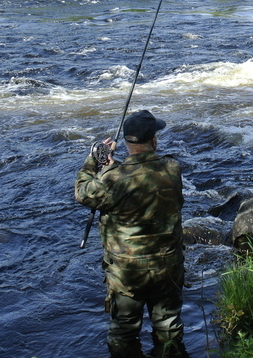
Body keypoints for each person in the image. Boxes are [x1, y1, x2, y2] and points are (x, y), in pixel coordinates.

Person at [75, 110, 186, 358]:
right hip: (167, 264)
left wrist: (94, 161)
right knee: (169, 328)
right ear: (154, 140)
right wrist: (114, 170)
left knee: (124, 331)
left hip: (126, 271)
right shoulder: (172, 169)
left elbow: (82, 192)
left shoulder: (112, 178)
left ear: (127, 141)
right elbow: (142, 177)